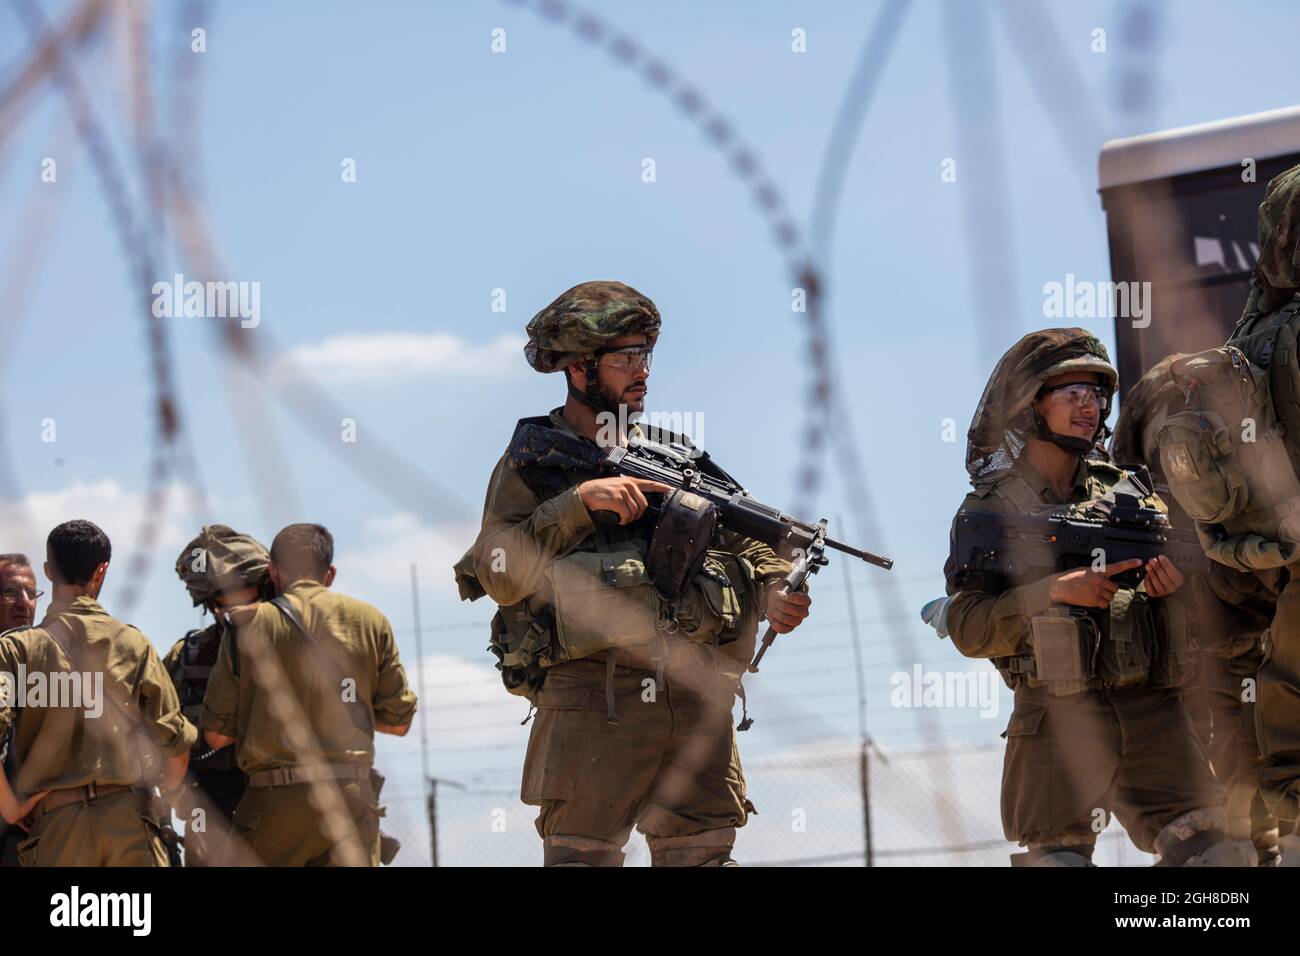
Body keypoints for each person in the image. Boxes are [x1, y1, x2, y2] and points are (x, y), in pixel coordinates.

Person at [453, 280, 812, 866]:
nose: (641, 371)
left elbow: (751, 537)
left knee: (705, 858)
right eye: (624, 358)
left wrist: (777, 588)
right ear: (578, 368)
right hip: (594, 697)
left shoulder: (678, 458)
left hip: (694, 692)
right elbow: (496, 570)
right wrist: (577, 504)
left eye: (645, 355)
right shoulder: (533, 462)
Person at [943, 329, 1246, 866]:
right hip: (1057, 719)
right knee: (1059, 861)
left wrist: (1172, 594)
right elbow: (967, 626)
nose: (1090, 407)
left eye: (1098, 394)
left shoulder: (1132, 494)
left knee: (1218, 858)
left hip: (1153, 713)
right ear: (1031, 404)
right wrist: (1050, 592)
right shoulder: (989, 511)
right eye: (1073, 393)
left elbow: (1196, 608)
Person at [1110, 355, 1282, 864]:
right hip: (1175, 671)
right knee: (1211, 831)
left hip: (1242, 659)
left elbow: (1263, 581)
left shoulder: (1244, 481)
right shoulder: (1127, 494)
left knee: (1254, 822)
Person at [200, 523, 417, 866]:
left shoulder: (246, 626)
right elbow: (400, 723)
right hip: (350, 801)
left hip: (275, 804)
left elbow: (215, 735)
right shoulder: (372, 621)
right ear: (330, 574)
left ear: (273, 572)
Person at [0, 520, 194, 866]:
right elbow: (175, 744)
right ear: (101, 571)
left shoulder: (16, 650)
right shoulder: (134, 644)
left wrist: (11, 808)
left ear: (48, 571)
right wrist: (166, 793)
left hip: (56, 828)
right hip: (128, 822)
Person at [164, 525, 273, 866]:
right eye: (227, 602)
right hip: (209, 812)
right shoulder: (187, 655)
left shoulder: (294, 648)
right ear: (212, 606)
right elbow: (156, 731)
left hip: (278, 807)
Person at [0, 553, 41, 866]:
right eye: (11, 592)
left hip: (26, 836)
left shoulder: (48, 663)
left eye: (31, 592)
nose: (24, 602)